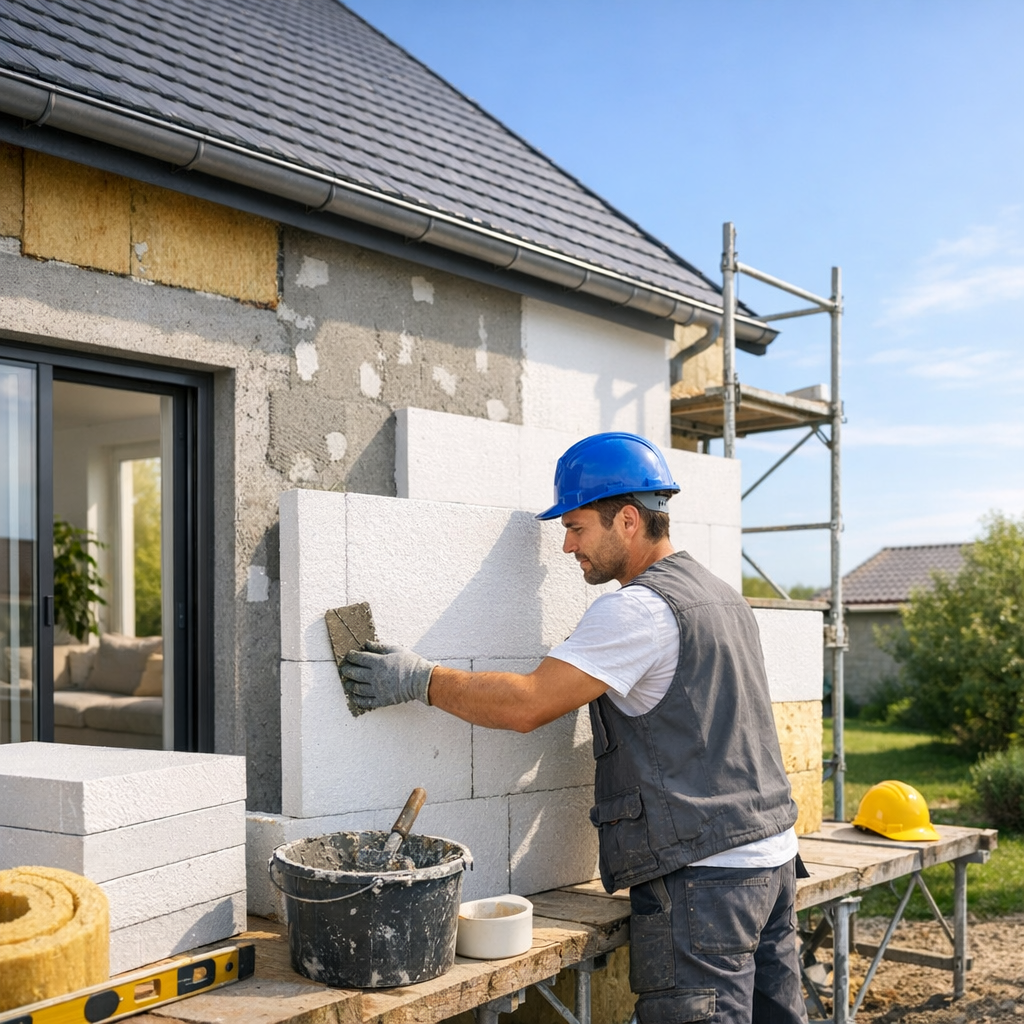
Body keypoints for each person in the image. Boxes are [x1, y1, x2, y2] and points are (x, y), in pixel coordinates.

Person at [340, 431, 808, 1024]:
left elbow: (528, 704)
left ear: (629, 521)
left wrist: (420, 680)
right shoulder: (719, 595)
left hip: (707, 883)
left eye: (577, 527)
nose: (566, 546)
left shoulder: (637, 610)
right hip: (769, 861)